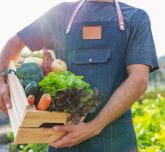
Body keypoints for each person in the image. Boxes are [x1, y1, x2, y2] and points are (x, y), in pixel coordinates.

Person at [0, 0, 159, 151]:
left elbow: (139, 80)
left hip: (117, 140)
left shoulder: (135, 18)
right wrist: (2, 79)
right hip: (63, 139)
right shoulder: (60, 14)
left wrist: (93, 127)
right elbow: (16, 42)